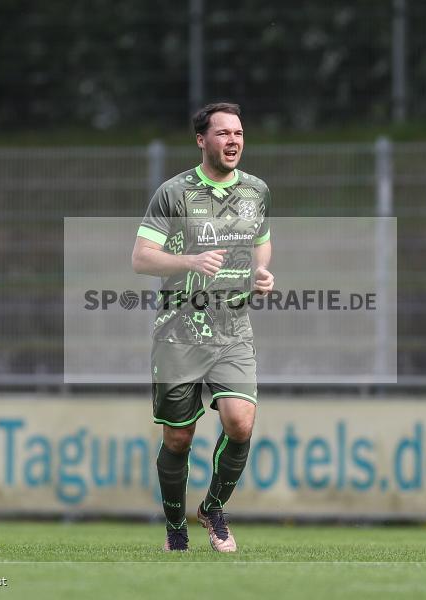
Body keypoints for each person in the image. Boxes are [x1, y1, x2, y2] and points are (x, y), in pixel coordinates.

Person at [131, 102, 274, 552]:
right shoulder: (173, 194)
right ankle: (176, 526)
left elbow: (261, 244)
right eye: (223, 133)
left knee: (240, 421)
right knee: (179, 436)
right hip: (179, 330)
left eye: (239, 133)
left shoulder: (256, 191)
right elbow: (140, 258)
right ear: (201, 140)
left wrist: (261, 275)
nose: (233, 141)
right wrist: (188, 260)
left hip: (233, 328)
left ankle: (213, 509)